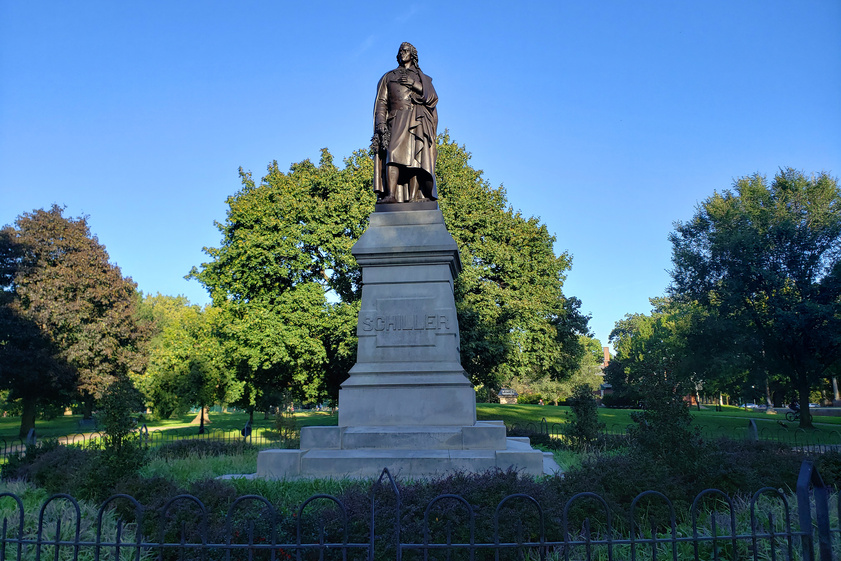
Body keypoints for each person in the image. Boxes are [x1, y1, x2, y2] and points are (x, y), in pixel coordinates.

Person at [371, 42, 438, 203]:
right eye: (400, 50)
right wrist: (380, 122)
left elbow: (432, 98)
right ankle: (391, 195)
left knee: (415, 158)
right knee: (392, 154)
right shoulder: (389, 76)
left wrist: (413, 84)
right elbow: (381, 102)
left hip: (416, 118)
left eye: (406, 51)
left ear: (412, 55)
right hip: (395, 119)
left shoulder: (421, 77)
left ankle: (415, 196)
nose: (402, 53)